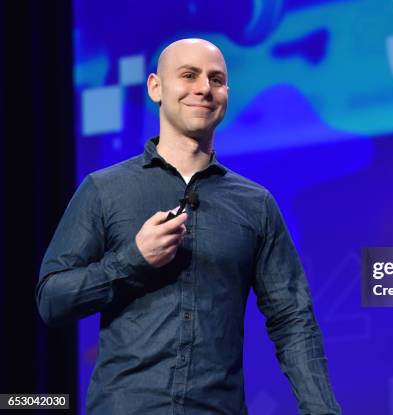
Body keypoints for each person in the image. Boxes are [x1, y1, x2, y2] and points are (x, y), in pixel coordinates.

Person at [36, 38, 341, 415]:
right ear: (155, 87)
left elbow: (292, 319)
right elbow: (52, 299)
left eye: (216, 79)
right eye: (188, 75)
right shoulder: (104, 189)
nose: (203, 88)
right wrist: (133, 259)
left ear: (227, 93)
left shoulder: (255, 203)